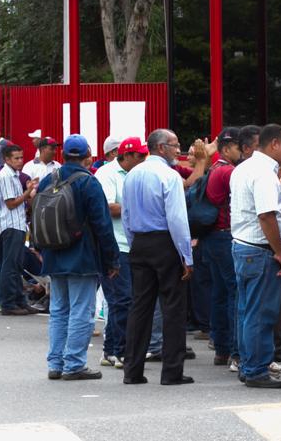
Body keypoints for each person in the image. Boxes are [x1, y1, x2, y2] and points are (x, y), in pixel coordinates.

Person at [39, 134, 120, 381]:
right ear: (88, 156)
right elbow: (103, 225)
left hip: (54, 253)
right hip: (82, 255)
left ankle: (56, 363)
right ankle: (74, 363)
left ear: (63, 155)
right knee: (81, 311)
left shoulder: (48, 180)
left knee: (59, 310)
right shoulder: (88, 182)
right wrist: (112, 259)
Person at [121, 129, 194, 385]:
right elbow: (177, 218)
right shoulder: (169, 175)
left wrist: (134, 244)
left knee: (140, 307)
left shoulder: (132, 174)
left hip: (140, 242)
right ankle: (172, 371)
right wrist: (186, 255)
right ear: (161, 148)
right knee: (173, 307)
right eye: (175, 145)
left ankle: (132, 370)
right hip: (165, 242)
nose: (178, 150)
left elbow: (127, 216)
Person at [230, 124, 281, 389]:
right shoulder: (264, 173)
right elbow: (266, 215)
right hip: (260, 250)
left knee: (247, 311)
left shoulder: (243, 168)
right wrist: (280, 252)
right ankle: (256, 370)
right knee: (260, 314)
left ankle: (249, 365)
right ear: (274, 144)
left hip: (244, 247)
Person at [95, 137, 148, 369]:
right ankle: (120, 350)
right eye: (139, 156)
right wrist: (139, 206)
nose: (143, 159)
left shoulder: (139, 173)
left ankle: (111, 351)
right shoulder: (107, 174)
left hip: (133, 244)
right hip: (114, 245)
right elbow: (108, 208)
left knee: (125, 299)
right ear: (125, 155)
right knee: (122, 299)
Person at [200, 128, 242, 369]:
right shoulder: (228, 171)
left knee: (219, 293)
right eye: (237, 147)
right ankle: (236, 351)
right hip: (225, 235)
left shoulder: (215, 169)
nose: (241, 150)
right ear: (226, 149)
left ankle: (221, 349)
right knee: (234, 292)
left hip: (211, 236)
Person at [0, 144, 39, 315]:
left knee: (17, 264)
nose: (20, 161)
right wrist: (28, 191)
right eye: (16, 158)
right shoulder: (6, 176)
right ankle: (8, 303)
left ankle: (20, 300)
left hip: (18, 224)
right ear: (7, 159)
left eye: (21, 157)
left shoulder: (15, 175)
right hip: (11, 224)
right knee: (10, 265)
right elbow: (11, 203)